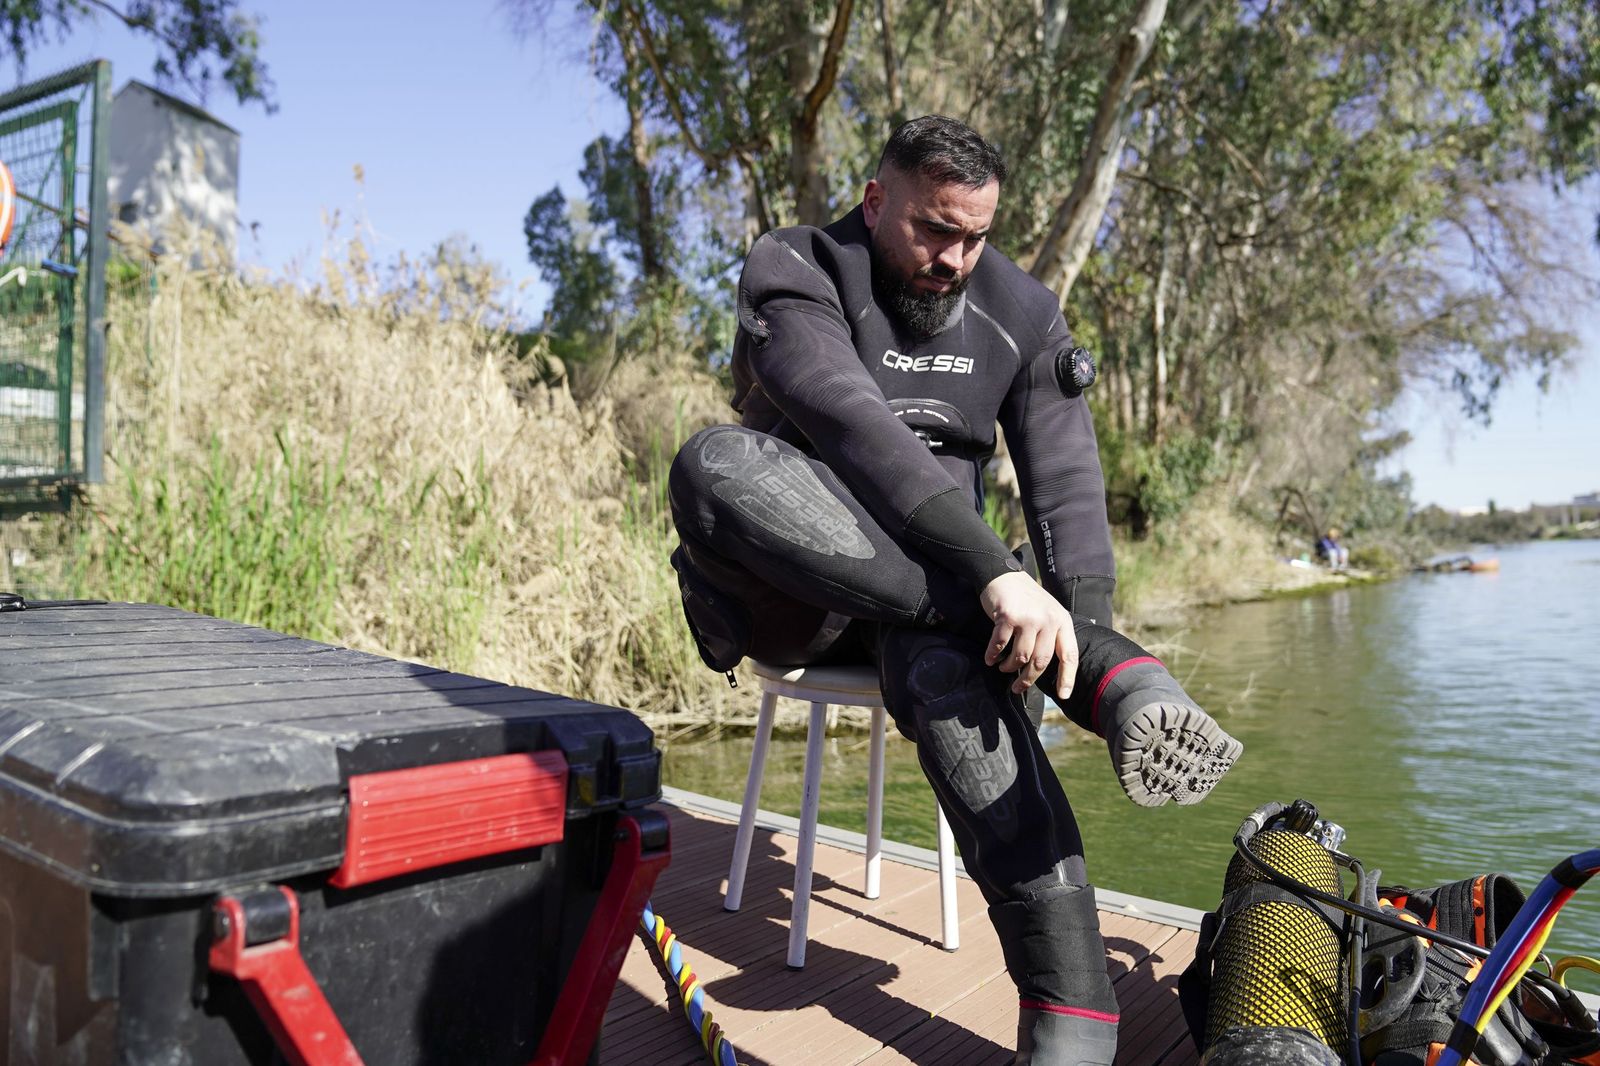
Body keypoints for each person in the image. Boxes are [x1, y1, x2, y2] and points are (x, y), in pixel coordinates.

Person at [667, 115, 1242, 1065]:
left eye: (975, 236)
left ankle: (1074, 1016)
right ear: (875, 201)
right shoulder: (797, 266)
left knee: (951, 683)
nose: (955, 259)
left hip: (939, 610)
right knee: (712, 465)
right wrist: (996, 581)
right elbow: (850, 422)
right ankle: (1113, 673)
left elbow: (1065, 484)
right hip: (795, 594)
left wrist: (1073, 627)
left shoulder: (1021, 309)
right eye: (934, 230)